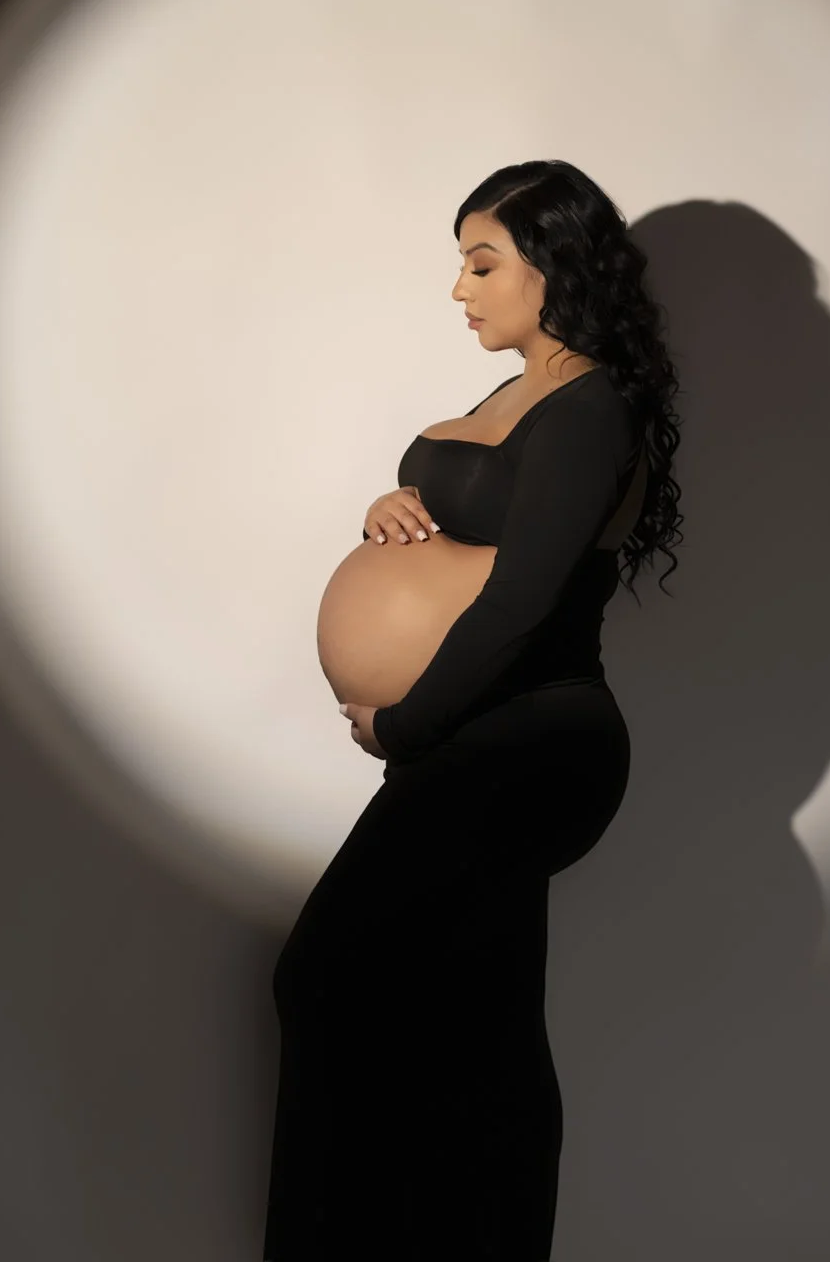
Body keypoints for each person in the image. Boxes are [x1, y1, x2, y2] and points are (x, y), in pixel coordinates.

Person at [263, 159, 683, 1260]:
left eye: (481, 261)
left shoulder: (592, 406)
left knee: (323, 973)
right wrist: (392, 504)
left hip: (538, 730)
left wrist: (402, 728)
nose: (460, 289)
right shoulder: (511, 394)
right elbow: (468, 515)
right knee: (473, 1022)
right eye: (461, 262)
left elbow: (518, 598)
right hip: (481, 735)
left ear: (555, 265)